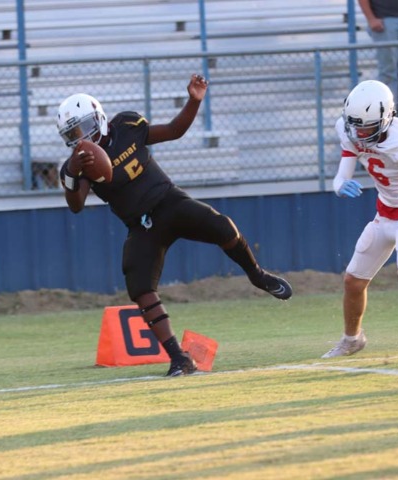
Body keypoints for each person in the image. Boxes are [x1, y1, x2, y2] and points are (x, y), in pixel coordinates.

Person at [55, 74, 293, 377]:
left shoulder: (127, 125)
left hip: (170, 202)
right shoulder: (79, 163)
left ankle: (258, 275)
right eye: (73, 133)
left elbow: (174, 130)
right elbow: (75, 205)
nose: (81, 137)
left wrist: (194, 101)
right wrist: (72, 173)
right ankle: (179, 358)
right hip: (142, 225)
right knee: (140, 288)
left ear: (99, 118)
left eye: (84, 127)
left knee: (222, 226)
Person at [321, 79, 398, 362]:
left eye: (367, 126)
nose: (360, 132)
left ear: (387, 117)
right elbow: (342, 172)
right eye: (356, 126)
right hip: (385, 214)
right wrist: (339, 185)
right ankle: (352, 339)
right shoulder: (350, 129)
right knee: (353, 281)